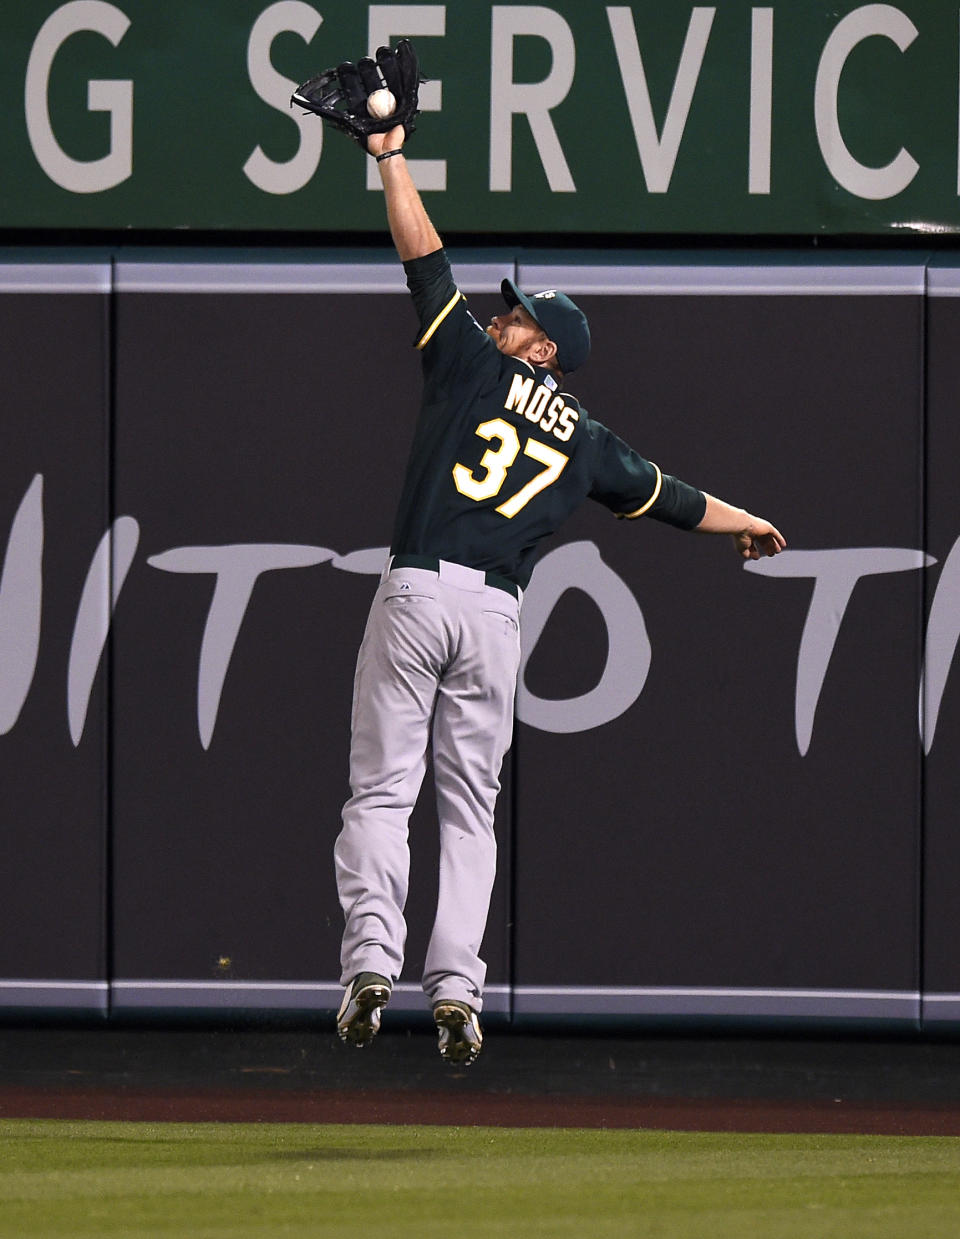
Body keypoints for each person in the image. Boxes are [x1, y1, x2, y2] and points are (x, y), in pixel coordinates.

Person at [333, 124, 786, 1068]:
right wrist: (747, 518)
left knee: (382, 794)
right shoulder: (585, 437)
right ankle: (457, 987)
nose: (498, 318)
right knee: (468, 812)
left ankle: (370, 963)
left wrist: (388, 154)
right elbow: (674, 497)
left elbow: (420, 250)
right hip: (497, 617)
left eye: (515, 316)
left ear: (539, 345)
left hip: (420, 591)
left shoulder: (471, 363)